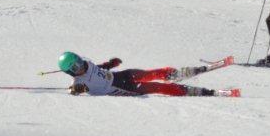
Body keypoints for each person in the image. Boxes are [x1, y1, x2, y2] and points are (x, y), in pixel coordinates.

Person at [57, 51, 235, 97]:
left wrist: (110, 64)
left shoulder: (86, 64)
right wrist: (77, 90)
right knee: (159, 87)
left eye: (78, 62)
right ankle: (205, 92)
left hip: (123, 76)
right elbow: (74, 90)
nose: (80, 67)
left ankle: (186, 72)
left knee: (156, 73)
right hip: (124, 88)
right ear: (70, 72)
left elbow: (96, 69)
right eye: (75, 68)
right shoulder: (79, 82)